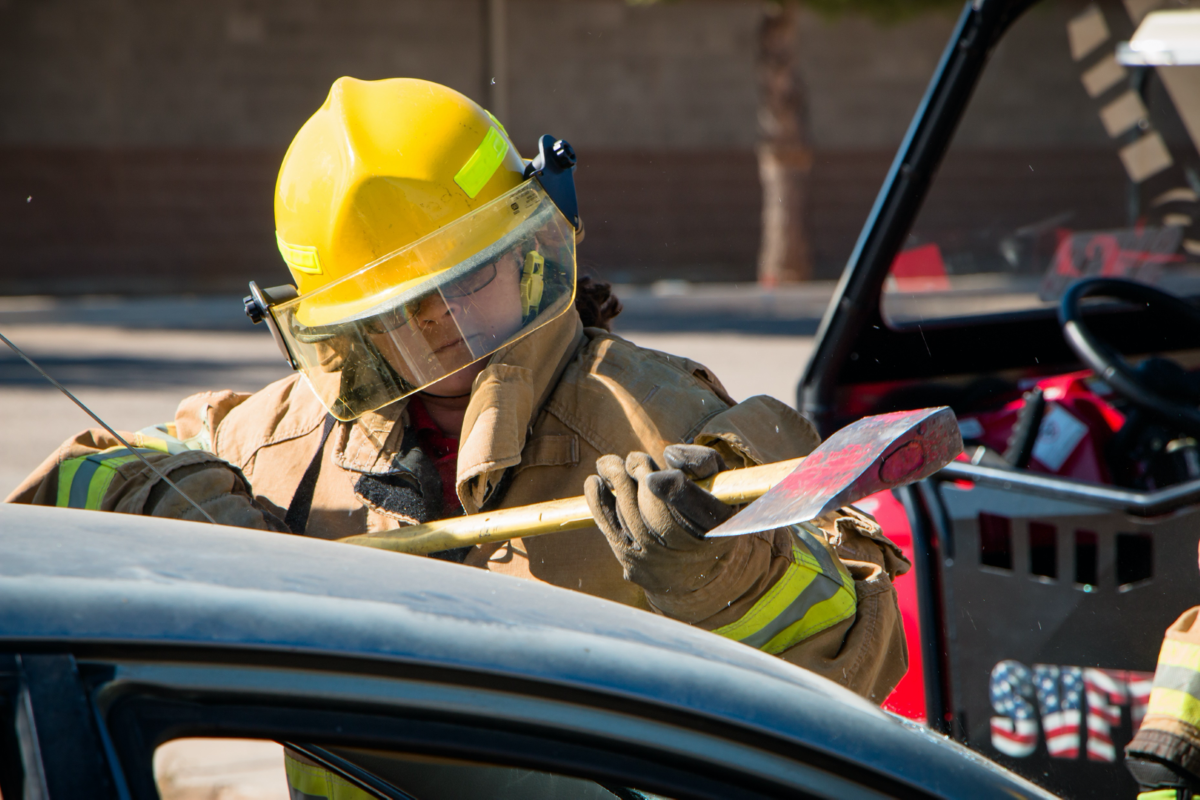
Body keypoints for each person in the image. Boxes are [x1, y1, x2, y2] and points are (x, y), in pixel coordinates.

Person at [8, 77, 909, 701]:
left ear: (532, 250)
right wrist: (153, 493)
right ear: (335, 326)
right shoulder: (287, 437)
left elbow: (865, 662)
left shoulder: (671, 422)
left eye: (466, 280)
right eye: (399, 310)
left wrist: (728, 577)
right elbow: (60, 519)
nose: (441, 326)